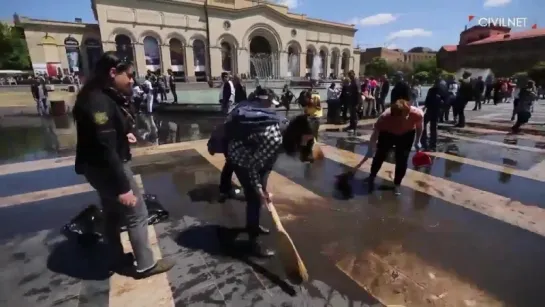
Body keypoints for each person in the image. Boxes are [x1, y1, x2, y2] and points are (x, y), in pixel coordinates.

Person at [72, 51, 174, 278]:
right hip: (108, 169)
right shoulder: (98, 101)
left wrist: (123, 133)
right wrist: (123, 187)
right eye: (128, 75)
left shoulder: (93, 94)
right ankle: (146, 265)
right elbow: (105, 147)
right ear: (112, 73)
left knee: (111, 213)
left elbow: (103, 135)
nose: (131, 80)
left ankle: (116, 257)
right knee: (137, 213)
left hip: (97, 167)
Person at [226, 107, 313, 257]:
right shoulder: (274, 138)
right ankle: (253, 243)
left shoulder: (287, 133)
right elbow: (253, 166)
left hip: (258, 159)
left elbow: (269, 159)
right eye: (306, 138)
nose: (306, 143)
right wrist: (258, 187)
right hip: (241, 157)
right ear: (298, 133)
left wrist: (263, 184)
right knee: (254, 197)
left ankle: (253, 225)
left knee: (260, 196)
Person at [217, 87, 280, 203]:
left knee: (230, 164)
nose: (272, 106)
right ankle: (256, 194)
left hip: (230, 142)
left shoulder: (245, 104)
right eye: (270, 103)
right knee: (244, 168)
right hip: (235, 144)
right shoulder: (255, 111)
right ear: (264, 100)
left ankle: (224, 190)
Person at [365, 99, 424, 195]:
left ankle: (397, 184)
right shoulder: (385, 117)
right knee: (380, 155)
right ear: (394, 115)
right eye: (401, 118)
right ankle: (372, 176)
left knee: (402, 159)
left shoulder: (417, 114)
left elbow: (419, 126)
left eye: (406, 116)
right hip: (388, 133)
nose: (404, 119)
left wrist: (418, 140)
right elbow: (375, 133)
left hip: (407, 134)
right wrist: (370, 149)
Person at [421, 79, 448, 150]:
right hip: (436, 110)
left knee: (425, 124)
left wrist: (426, 106)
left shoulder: (432, 90)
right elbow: (445, 101)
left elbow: (427, 100)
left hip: (432, 110)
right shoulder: (443, 90)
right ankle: (432, 143)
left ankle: (426, 141)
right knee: (433, 126)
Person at [301, 88, 322, 162]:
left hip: (316, 117)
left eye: (305, 99)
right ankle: (307, 153)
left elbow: (319, 107)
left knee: (310, 136)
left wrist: (312, 103)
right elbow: (305, 109)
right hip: (310, 117)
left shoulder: (316, 97)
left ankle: (309, 154)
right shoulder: (304, 98)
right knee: (308, 135)